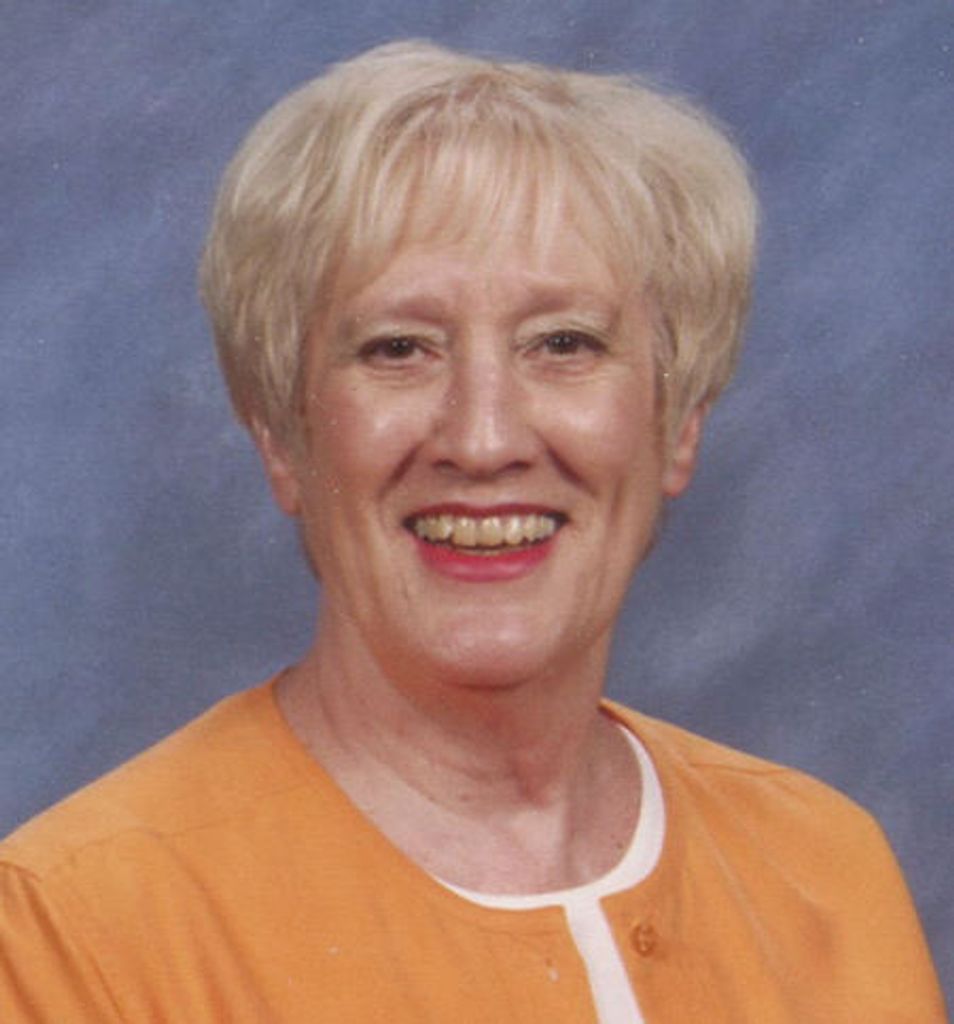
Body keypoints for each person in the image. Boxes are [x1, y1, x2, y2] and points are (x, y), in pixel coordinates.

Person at [0, 39, 944, 1023]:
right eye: (398, 348)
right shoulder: (74, 933)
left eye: (564, 343)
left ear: (678, 423)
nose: (484, 438)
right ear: (281, 435)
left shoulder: (825, 873)